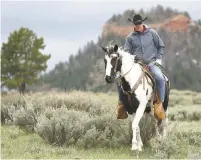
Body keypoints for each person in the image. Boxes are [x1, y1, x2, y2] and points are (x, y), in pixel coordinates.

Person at [116, 14, 166, 119]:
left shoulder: (152, 33)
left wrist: (159, 59)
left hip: (152, 62)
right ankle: (121, 103)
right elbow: (126, 53)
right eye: (136, 24)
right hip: (136, 64)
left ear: (142, 22)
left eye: (139, 23)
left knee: (159, 77)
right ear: (133, 24)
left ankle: (159, 104)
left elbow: (160, 47)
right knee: (118, 78)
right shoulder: (130, 38)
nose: (138, 25)